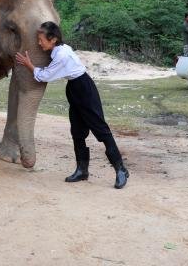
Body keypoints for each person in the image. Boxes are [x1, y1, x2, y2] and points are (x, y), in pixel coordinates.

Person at [15, 22, 129, 189]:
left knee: (102, 131)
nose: (39, 43)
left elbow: (45, 76)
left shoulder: (61, 55)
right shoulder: (60, 50)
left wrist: (28, 64)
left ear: (53, 39)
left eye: (41, 40)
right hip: (75, 88)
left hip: (85, 90)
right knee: (77, 132)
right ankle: (82, 169)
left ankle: (121, 169)